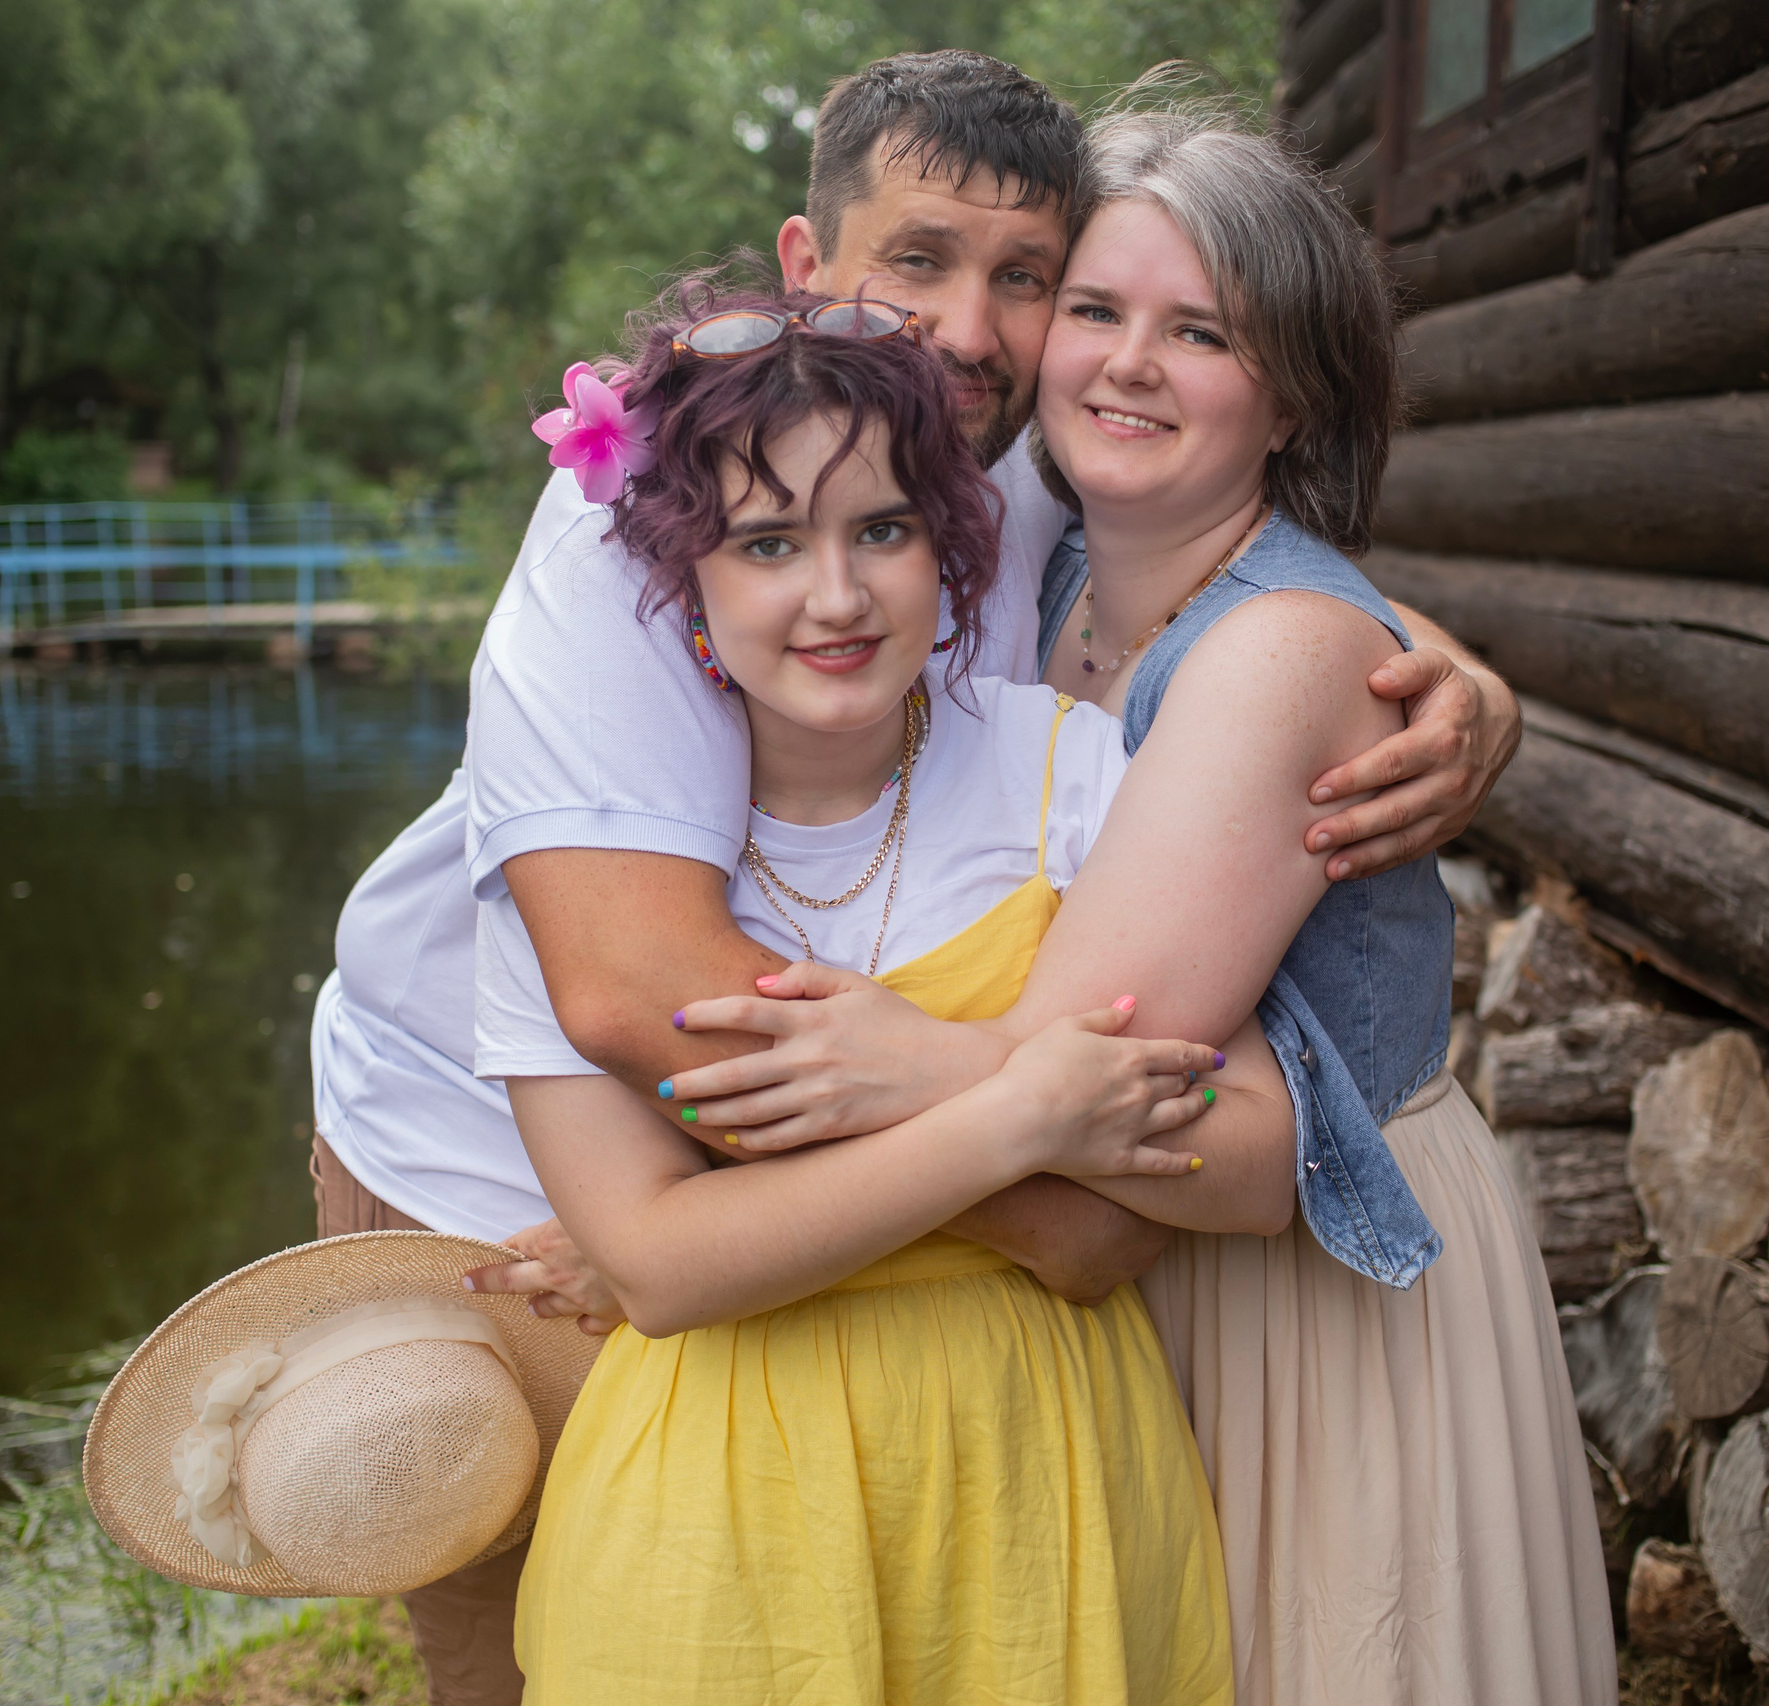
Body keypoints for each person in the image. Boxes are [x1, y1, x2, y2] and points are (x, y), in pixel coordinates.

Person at [309, 50, 1522, 1702]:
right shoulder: (628, 524)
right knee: (540, 1635)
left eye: (1027, 278)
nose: (967, 330)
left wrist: (1451, 673)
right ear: (808, 270)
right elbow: (634, 996)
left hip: (819, 1224)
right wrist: (1028, 1154)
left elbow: (1246, 573)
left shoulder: (1010, 474)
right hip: (488, 1151)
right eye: (919, 260)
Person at [658, 102, 1619, 1703]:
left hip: (1307, 1301)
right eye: (1094, 310)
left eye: (1201, 331)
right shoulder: (1032, 569)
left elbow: (1090, 1060)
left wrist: (886, 1062)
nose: (1123, 364)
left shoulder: (1282, 655)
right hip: (1115, 1258)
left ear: (1293, 388)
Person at [483, 287, 1249, 1703]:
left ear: (949, 543)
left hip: (1039, 1482)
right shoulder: (574, 862)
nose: (835, 596)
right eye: (767, 543)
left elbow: (1192, 1193)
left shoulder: (1073, 772)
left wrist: (874, 1122)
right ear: (683, 582)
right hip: (718, 1526)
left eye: (881, 530)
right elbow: (660, 1263)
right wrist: (1013, 1113)